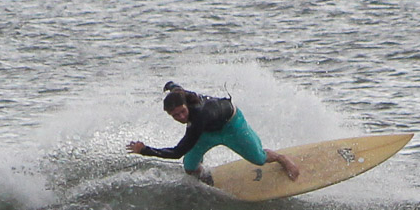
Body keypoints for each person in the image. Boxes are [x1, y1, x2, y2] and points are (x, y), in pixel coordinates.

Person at [127, 82, 300, 183]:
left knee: (259, 159)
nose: (180, 117)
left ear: (186, 106)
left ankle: (281, 158)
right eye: (175, 115)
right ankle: (206, 177)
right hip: (206, 133)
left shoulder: (199, 117)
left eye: (182, 112)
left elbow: (177, 152)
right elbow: (175, 88)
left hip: (232, 125)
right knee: (189, 167)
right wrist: (170, 85)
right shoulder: (179, 96)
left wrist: (145, 150)